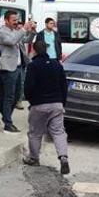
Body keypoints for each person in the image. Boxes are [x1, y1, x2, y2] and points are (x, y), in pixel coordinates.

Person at [23, 40, 70, 174]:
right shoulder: (56, 65)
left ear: (35, 51)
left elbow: (28, 87)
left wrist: (31, 101)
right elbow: (64, 86)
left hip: (39, 105)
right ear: (47, 50)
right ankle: (63, 157)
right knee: (59, 132)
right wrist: (62, 103)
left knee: (35, 133)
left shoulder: (33, 66)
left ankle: (34, 159)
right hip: (57, 104)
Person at [0, 10, 35, 133]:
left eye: (17, 20)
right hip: (8, 68)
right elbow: (12, 41)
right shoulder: (2, 32)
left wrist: (31, 31)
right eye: (14, 20)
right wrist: (23, 30)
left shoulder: (15, 31)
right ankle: (8, 123)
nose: (16, 22)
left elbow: (26, 40)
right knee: (9, 97)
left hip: (18, 67)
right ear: (6, 20)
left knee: (17, 96)